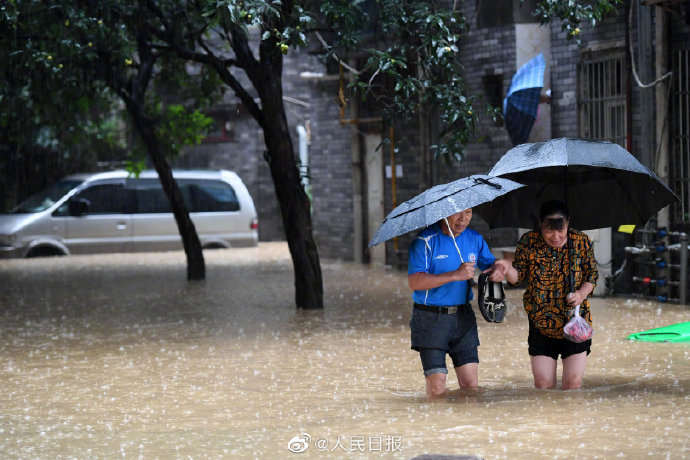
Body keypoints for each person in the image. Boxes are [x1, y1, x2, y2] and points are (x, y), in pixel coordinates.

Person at [494, 200, 598, 390]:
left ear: (568, 223)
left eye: (561, 229)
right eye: (549, 230)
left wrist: (581, 294)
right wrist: (506, 267)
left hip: (574, 323)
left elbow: (592, 276)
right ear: (540, 224)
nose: (556, 236)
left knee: (572, 384)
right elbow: (517, 278)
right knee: (543, 385)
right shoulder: (529, 242)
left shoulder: (580, 241)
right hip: (541, 324)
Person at [407, 208, 506, 398]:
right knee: (437, 388)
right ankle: (437, 425)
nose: (463, 219)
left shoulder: (474, 238)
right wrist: (455, 275)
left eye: (468, 213)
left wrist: (499, 269)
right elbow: (415, 282)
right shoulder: (424, 241)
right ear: (443, 213)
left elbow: (490, 265)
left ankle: (464, 427)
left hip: (463, 317)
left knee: (470, 386)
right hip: (430, 319)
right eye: (457, 213)